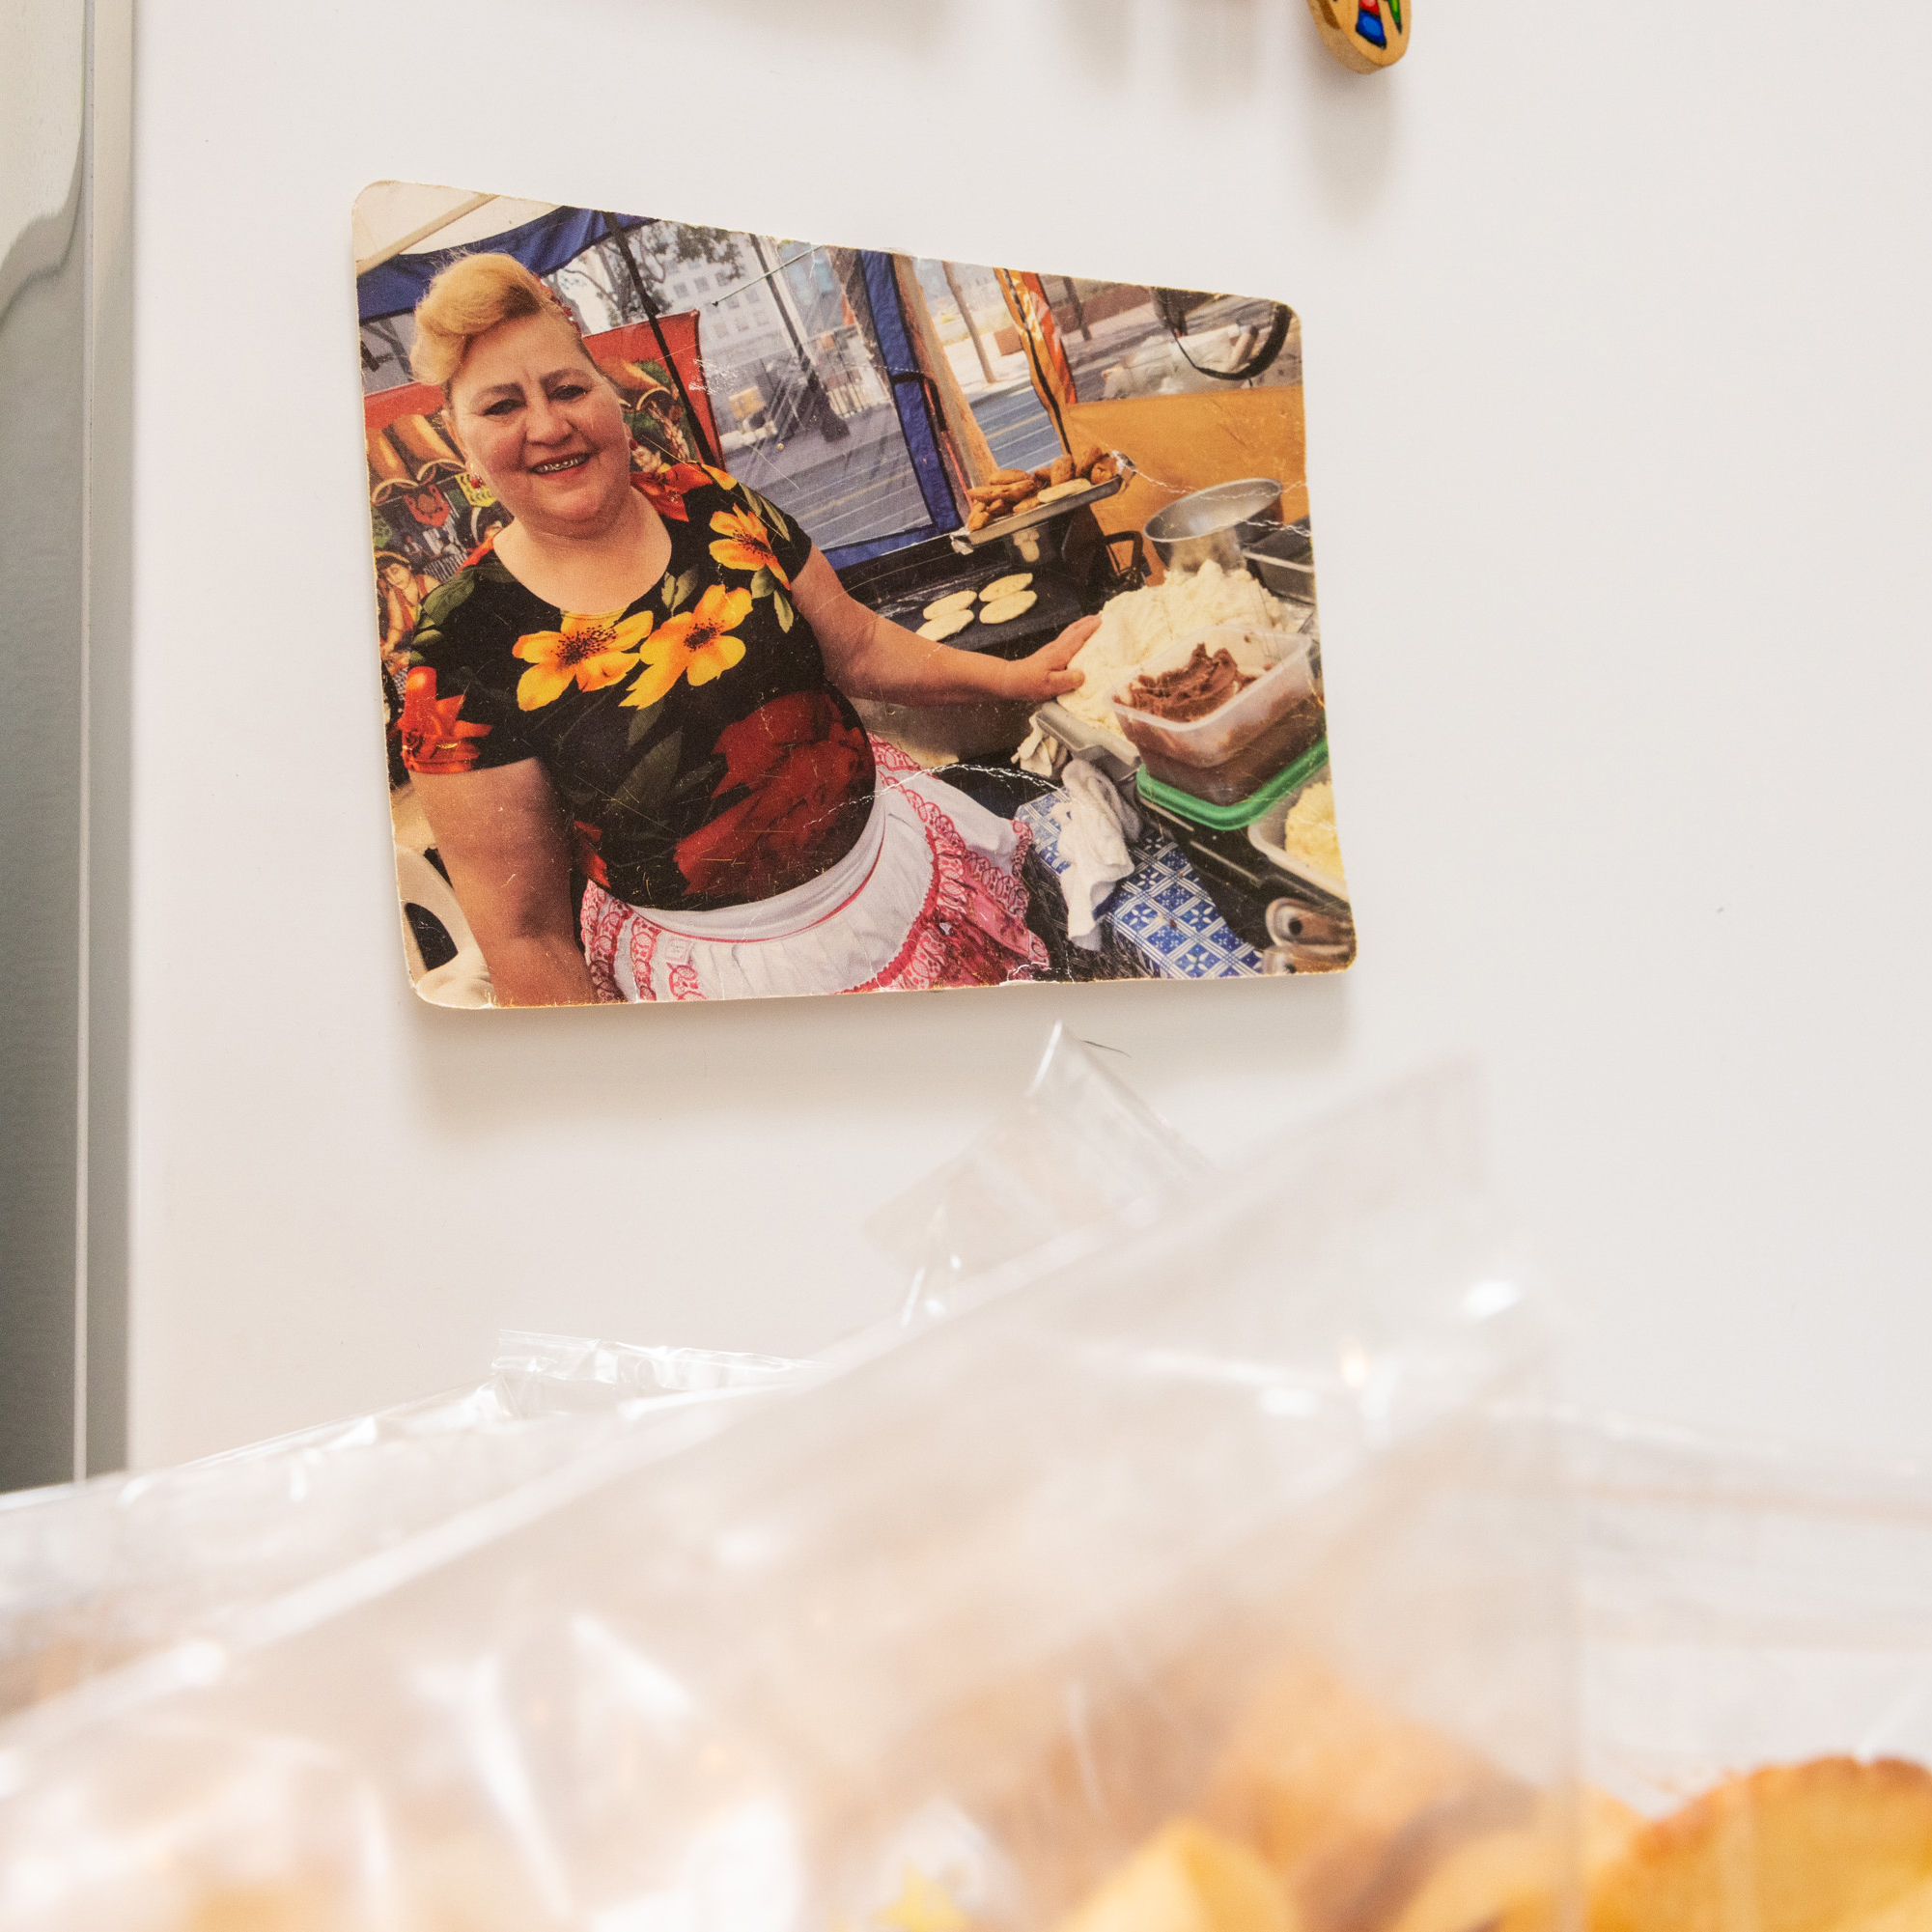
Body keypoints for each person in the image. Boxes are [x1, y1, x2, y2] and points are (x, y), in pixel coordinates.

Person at [394, 253, 1095, 1006]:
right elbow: (525, 933)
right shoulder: (459, 647)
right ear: (460, 442)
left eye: (567, 387)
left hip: (898, 881)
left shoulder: (712, 503)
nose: (548, 424)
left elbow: (856, 646)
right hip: (729, 985)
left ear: (608, 394)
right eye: (501, 406)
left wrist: (1018, 678)